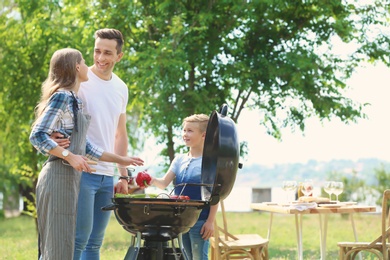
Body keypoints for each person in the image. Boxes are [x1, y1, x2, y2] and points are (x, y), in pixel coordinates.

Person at [29, 48, 144, 260]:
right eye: (84, 59)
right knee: (59, 244)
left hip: (69, 177)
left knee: (66, 244)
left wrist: (122, 161)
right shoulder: (63, 96)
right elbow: (37, 135)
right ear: (77, 67)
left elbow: (88, 147)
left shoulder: (75, 100)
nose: (90, 63)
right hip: (58, 175)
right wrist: (69, 155)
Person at [51, 28, 135, 259]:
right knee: (78, 240)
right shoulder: (81, 80)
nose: (100, 58)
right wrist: (55, 134)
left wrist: (124, 176)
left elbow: (120, 134)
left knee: (95, 243)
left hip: (107, 176)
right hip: (82, 171)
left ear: (119, 56)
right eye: (97, 51)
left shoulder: (121, 88)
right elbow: (55, 114)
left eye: (108, 53)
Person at [150, 114, 218, 260]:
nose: (185, 134)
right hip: (179, 219)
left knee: (199, 257)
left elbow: (215, 194)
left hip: (200, 219)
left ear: (203, 135)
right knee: (185, 257)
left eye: (190, 131)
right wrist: (151, 179)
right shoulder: (179, 159)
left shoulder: (209, 162)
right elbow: (163, 184)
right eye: (184, 130)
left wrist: (210, 221)